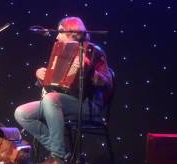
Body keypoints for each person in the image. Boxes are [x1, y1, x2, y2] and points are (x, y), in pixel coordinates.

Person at [14, 17, 113, 163]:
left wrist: (89, 70)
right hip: (61, 103)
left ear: (74, 33)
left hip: (87, 106)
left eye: (60, 32)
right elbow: (54, 84)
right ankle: (64, 155)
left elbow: (105, 83)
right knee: (22, 113)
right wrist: (42, 75)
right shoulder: (61, 53)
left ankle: (58, 158)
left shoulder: (94, 51)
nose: (57, 36)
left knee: (51, 99)